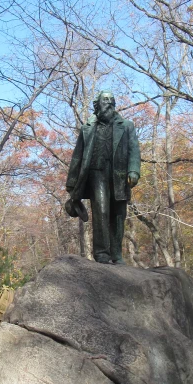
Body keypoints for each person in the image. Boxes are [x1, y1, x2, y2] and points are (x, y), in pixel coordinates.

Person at [65, 91, 140, 264]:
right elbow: (77, 156)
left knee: (119, 214)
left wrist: (134, 171)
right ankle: (101, 253)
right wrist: (72, 183)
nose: (108, 102)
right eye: (104, 99)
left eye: (111, 100)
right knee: (101, 211)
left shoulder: (126, 126)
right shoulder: (88, 128)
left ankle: (116, 253)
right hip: (96, 173)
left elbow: (134, 150)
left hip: (119, 175)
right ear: (97, 104)